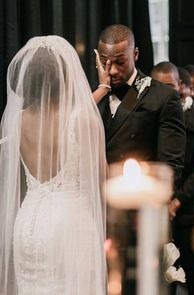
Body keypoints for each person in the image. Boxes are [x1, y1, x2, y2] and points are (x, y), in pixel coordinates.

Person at [0, 35, 107, 294]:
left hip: (27, 227)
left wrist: (101, 90)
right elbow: (102, 181)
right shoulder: (83, 119)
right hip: (70, 224)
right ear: (65, 75)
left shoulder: (17, 120)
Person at [95, 24, 186, 293]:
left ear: (135, 54)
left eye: (119, 62)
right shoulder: (91, 97)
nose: (112, 71)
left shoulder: (163, 97)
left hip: (140, 223)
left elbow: (171, 166)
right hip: (96, 220)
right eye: (104, 62)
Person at [151, 62, 194, 295]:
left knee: (193, 276)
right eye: (159, 87)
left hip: (188, 211)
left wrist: (178, 200)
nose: (165, 92)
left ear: (180, 86)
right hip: (157, 211)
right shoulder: (147, 119)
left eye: (169, 86)